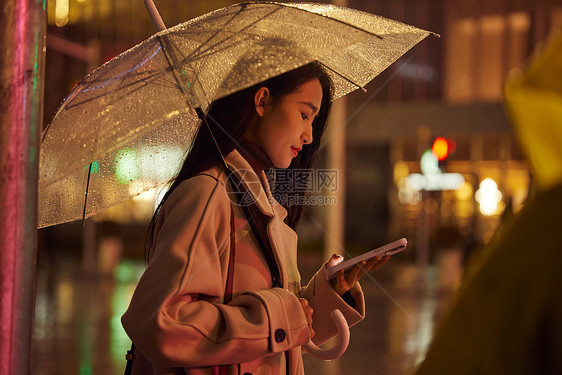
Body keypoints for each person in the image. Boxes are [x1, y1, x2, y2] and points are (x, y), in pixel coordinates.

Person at [121, 62, 389, 375]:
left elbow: (272, 335)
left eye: (314, 121)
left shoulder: (266, 207)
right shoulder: (207, 194)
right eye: (304, 114)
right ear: (262, 101)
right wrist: (278, 318)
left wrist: (324, 295)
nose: (308, 135)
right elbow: (160, 323)